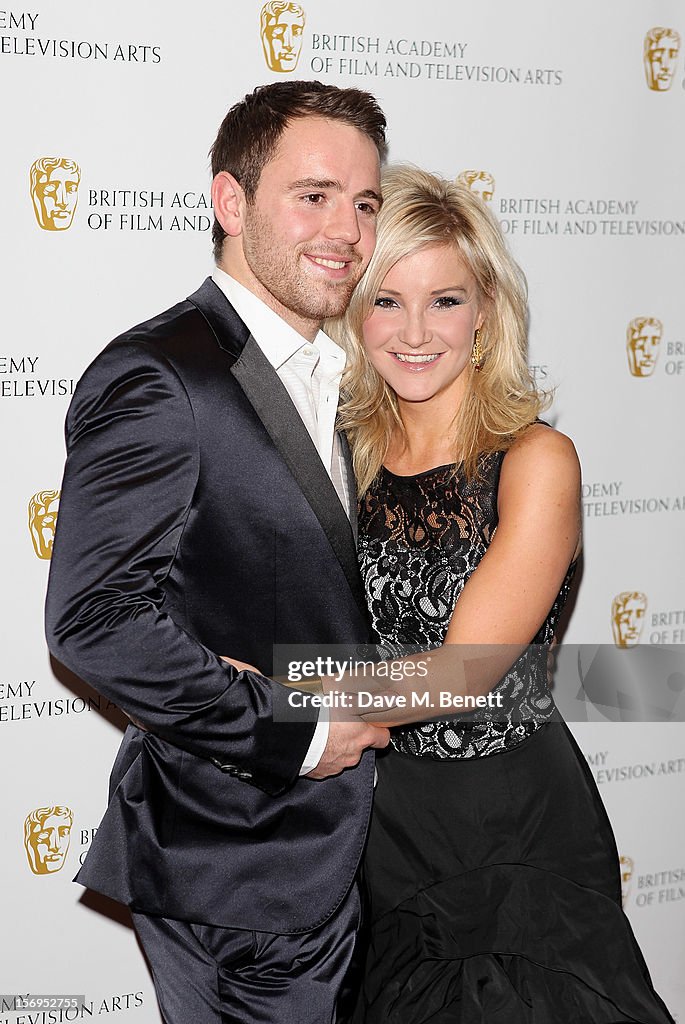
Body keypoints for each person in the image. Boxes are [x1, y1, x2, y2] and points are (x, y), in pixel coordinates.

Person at [44, 80, 390, 1024]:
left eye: (364, 204)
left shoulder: (351, 371)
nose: (348, 232)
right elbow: (94, 623)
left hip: (350, 859)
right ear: (230, 203)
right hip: (240, 866)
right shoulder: (162, 376)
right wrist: (300, 732)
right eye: (312, 196)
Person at [328, 165, 675, 1022]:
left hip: (517, 827)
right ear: (351, 310)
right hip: (380, 828)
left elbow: (464, 670)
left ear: (484, 312)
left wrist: (268, 691)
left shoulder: (534, 461)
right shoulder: (332, 457)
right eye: (385, 301)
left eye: (444, 300)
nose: (414, 331)